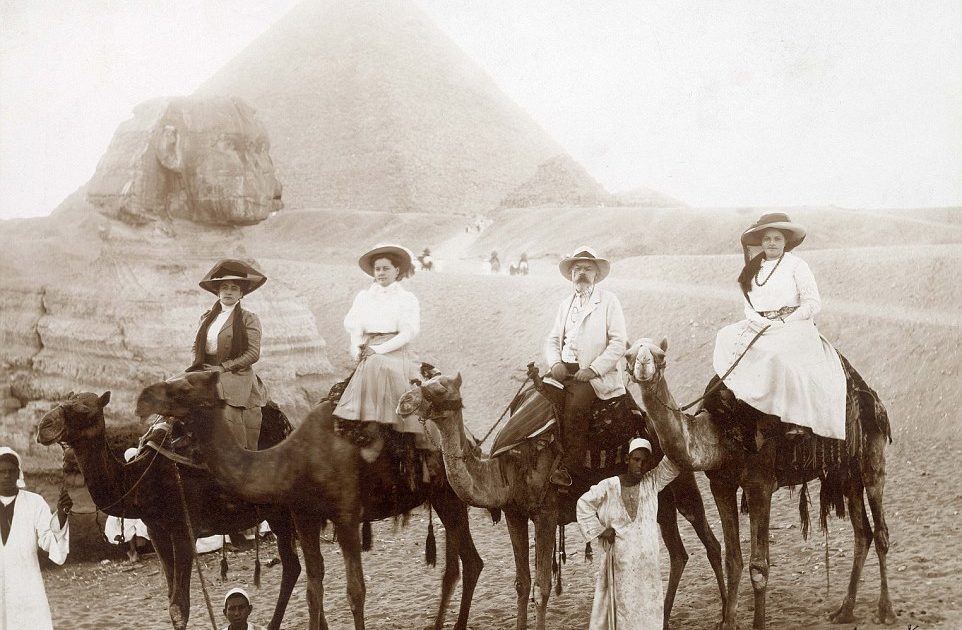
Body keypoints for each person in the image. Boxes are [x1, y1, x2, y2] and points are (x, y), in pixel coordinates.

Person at [713, 212, 846, 441]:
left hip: (794, 324)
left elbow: (812, 303)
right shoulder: (752, 269)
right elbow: (748, 305)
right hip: (760, 324)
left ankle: (795, 418)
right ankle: (741, 400)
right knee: (725, 336)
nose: (772, 243)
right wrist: (760, 321)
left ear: (786, 241)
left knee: (778, 355)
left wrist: (785, 321)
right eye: (767, 238)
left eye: (777, 238)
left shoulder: (797, 265)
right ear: (761, 242)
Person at [543, 246, 628, 486]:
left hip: (596, 375)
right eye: (577, 269)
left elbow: (619, 342)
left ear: (596, 274)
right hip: (564, 370)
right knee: (536, 396)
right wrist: (555, 362)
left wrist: (593, 370)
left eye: (587, 269)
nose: (581, 273)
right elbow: (552, 339)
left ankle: (569, 468)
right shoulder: (565, 305)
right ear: (571, 274)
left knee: (576, 407)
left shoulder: (609, 301)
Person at [577, 438, 679, 629]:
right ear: (627, 459)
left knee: (648, 608)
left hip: (648, 564)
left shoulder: (652, 482)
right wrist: (601, 531)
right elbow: (583, 504)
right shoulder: (609, 486)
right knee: (623, 609)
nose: (640, 465)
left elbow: (673, 464)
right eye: (636, 459)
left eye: (645, 461)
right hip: (621, 562)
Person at [334, 244, 430, 448]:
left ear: (397, 270)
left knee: (377, 364)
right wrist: (357, 349)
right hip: (368, 345)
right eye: (377, 269)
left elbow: (406, 333)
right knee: (368, 365)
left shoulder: (406, 299)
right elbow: (355, 328)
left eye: (386, 268)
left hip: (396, 348)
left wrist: (377, 351)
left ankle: (376, 426)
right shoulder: (364, 297)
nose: (381, 273)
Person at [191, 259, 269, 450]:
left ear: (241, 293)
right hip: (206, 369)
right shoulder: (206, 317)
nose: (228, 291)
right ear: (217, 291)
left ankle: (237, 453)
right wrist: (198, 366)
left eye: (234, 288)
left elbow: (253, 353)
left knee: (226, 409)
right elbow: (196, 345)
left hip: (235, 374)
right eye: (224, 287)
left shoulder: (248, 318)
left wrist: (223, 368)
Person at [0, 446, 71, 630]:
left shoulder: (34, 502)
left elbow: (47, 539)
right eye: (1, 471)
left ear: (18, 473)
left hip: (26, 581)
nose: (6, 476)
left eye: (11, 471)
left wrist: (61, 515)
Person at [104, 448, 151, 562]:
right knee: (118, 523)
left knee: (140, 524)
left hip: (142, 505)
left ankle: (138, 552)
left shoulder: (145, 471)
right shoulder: (125, 473)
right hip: (128, 507)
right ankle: (131, 553)